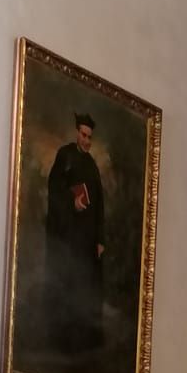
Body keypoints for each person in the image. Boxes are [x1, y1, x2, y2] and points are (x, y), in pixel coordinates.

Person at [46, 111, 105, 353]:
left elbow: (100, 202)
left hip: (87, 239)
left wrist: (100, 239)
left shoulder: (92, 165)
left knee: (85, 285)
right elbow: (54, 188)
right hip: (67, 235)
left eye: (90, 137)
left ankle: (84, 340)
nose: (87, 141)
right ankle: (63, 340)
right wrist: (72, 204)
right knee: (67, 283)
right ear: (76, 133)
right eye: (84, 135)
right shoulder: (65, 155)